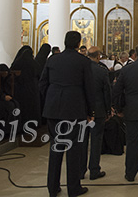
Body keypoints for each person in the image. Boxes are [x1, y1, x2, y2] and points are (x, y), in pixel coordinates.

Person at [40, 31, 95, 197]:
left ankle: (52, 188)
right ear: (78, 44)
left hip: (53, 109)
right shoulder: (83, 61)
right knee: (74, 150)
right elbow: (89, 87)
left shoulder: (52, 59)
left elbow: (42, 84)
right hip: (74, 109)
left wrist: (50, 101)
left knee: (55, 147)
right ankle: (73, 188)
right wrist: (90, 111)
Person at [112, 43, 138, 182]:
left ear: (135, 54)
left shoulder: (127, 69)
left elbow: (116, 91)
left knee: (132, 143)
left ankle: (130, 173)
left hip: (131, 110)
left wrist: (119, 109)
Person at [80, 47, 112, 181]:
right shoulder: (101, 71)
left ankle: (80, 171)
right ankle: (94, 170)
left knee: (82, 140)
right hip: (98, 110)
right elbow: (107, 92)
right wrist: (108, 110)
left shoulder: (80, 70)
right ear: (98, 56)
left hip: (82, 110)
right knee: (96, 140)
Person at [11, 46, 41, 128]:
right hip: (32, 87)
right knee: (32, 106)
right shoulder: (33, 63)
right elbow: (39, 73)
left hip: (20, 87)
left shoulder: (18, 62)